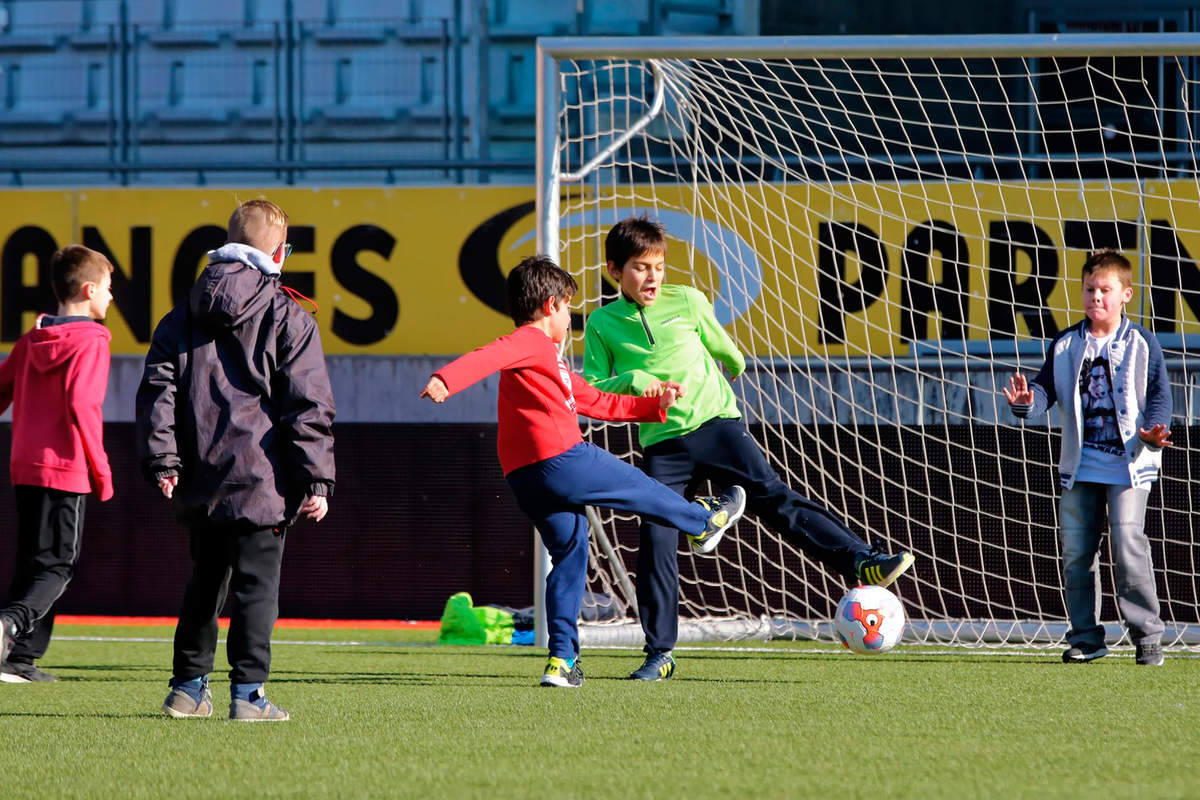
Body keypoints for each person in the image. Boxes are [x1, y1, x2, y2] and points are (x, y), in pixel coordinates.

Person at [583, 216, 915, 681]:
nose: (653, 277)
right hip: (662, 442)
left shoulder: (689, 300)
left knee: (775, 500)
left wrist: (733, 363)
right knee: (656, 539)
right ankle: (660, 652)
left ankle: (863, 560)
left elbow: (726, 350)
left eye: (658, 266)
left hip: (717, 423)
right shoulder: (601, 323)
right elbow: (595, 387)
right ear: (615, 271)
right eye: (640, 268)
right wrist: (638, 381)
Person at [420, 255, 746, 688]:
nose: (570, 318)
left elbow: (593, 400)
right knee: (640, 487)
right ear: (550, 305)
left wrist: (653, 407)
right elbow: (491, 353)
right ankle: (702, 522)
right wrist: (447, 379)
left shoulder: (548, 362)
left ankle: (561, 661)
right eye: (568, 308)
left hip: (525, 477)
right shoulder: (531, 341)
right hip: (561, 459)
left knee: (572, 553)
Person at [137, 199, 336, 720]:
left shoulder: (180, 316)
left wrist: (164, 460)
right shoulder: (288, 314)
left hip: (201, 478)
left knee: (205, 583)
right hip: (263, 481)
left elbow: (158, 393)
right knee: (256, 591)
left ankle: (186, 688)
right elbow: (307, 404)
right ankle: (248, 696)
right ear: (277, 251)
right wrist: (316, 478)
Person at [1004, 248, 1171, 667]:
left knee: (1127, 542)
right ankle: (1086, 637)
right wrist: (1028, 403)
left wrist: (1153, 431)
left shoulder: (1142, 342)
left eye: (1105, 290)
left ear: (1126, 295)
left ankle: (1148, 635)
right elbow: (1044, 391)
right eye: (1090, 290)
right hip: (1080, 469)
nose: (1097, 297)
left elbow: (1159, 396)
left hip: (1128, 467)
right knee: (1077, 553)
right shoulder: (1064, 344)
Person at [0, 245, 115, 683]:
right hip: (67, 469)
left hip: (25, 466)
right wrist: (101, 471)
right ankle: (9, 626)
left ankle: (17, 659)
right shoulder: (94, 342)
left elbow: (1, 387)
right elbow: (83, 403)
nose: (111, 296)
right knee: (58, 566)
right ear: (89, 289)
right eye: (107, 288)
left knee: (31, 562)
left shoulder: (31, 341)